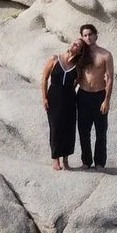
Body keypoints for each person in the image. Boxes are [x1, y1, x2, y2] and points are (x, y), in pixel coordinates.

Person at [67, 24, 113, 169]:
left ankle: (100, 163)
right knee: (83, 130)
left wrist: (106, 100)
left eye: (90, 34)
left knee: (101, 131)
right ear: (82, 37)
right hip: (83, 95)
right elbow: (73, 72)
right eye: (85, 35)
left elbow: (110, 78)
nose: (88, 37)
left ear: (96, 35)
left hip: (99, 95)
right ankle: (86, 162)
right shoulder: (81, 54)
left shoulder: (105, 55)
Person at [41, 38, 87, 171]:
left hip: (69, 98)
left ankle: (66, 159)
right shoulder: (55, 59)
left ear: (80, 50)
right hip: (54, 96)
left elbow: (78, 81)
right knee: (55, 127)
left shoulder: (78, 66)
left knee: (68, 128)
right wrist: (44, 98)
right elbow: (44, 78)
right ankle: (56, 158)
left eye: (77, 45)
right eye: (73, 42)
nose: (74, 45)